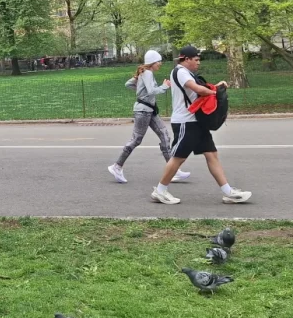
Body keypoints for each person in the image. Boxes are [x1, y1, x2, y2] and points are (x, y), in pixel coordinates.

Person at [150, 46, 252, 205]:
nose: (198, 63)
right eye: (196, 60)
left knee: (212, 154)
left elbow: (200, 92)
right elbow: (198, 89)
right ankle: (160, 191)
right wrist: (216, 92)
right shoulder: (180, 72)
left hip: (196, 122)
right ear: (186, 59)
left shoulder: (187, 72)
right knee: (178, 158)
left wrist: (216, 87)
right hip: (185, 122)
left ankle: (228, 193)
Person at [107, 51, 190, 184]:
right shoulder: (147, 73)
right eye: (158, 61)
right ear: (152, 62)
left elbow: (128, 84)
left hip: (150, 111)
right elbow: (151, 91)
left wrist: (140, 87)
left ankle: (174, 171)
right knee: (136, 140)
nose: (160, 64)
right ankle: (117, 166)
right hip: (143, 111)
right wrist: (164, 86)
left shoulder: (144, 73)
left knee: (164, 136)